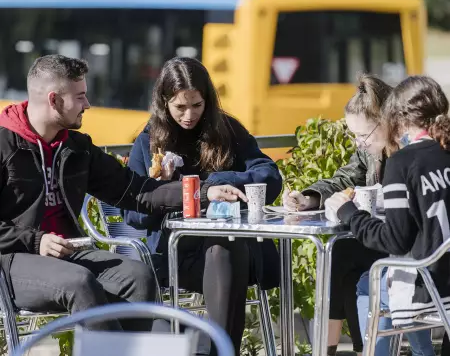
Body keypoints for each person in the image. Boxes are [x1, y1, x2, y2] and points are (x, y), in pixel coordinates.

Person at [0, 54, 245, 331]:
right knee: (79, 283)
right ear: (54, 100)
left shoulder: (77, 148)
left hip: (67, 256)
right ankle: (120, 348)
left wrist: (203, 192)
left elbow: (137, 190)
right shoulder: (4, 144)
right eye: (80, 97)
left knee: (138, 276)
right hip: (11, 260)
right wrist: (35, 241)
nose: (87, 104)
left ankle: (144, 348)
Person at [123, 57, 282, 355]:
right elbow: (132, 214)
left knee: (225, 244)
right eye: (180, 107)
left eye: (197, 105)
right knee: (226, 248)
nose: (189, 115)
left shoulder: (227, 130)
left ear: (207, 100)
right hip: (176, 255)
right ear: (164, 102)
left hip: (234, 252)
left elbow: (270, 176)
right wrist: (163, 190)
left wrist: (218, 182)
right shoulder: (149, 142)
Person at [326, 75, 448, 356]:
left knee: (367, 283)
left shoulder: (402, 162)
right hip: (442, 274)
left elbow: (396, 241)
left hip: (431, 284)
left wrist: (350, 214)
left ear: (395, 117)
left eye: (362, 135)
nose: (359, 142)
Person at [283, 74, 390, 355]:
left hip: (405, 243)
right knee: (341, 253)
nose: (359, 143)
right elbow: (344, 178)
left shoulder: (407, 153)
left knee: (346, 255)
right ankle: (333, 349)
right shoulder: (371, 151)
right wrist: (308, 198)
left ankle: (345, 350)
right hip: (381, 235)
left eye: (363, 135)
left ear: (386, 121)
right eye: (354, 136)